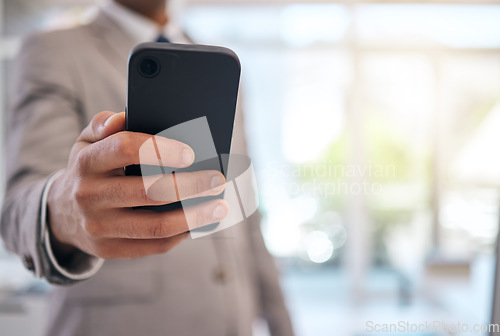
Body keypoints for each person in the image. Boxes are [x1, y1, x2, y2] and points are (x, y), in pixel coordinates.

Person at [0, 0, 295, 335]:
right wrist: (65, 208)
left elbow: (245, 216)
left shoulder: (220, 67)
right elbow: (14, 214)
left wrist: (282, 325)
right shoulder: (53, 51)